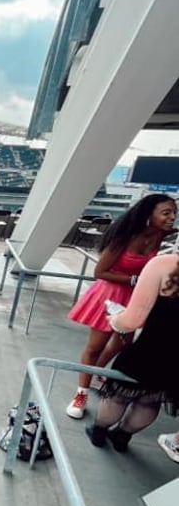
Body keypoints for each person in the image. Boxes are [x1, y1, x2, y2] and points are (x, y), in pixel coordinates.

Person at [65, 194, 176, 419]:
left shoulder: (163, 236)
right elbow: (99, 272)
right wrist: (135, 280)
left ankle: (98, 372)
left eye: (174, 213)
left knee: (122, 344)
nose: (172, 218)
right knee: (95, 346)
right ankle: (81, 394)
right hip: (110, 293)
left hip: (136, 298)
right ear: (149, 215)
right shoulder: (125, 236)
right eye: (166, 213)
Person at [85, 251, 179, 452]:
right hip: (175, 362)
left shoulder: (164, 264)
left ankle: (99, 431)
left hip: (147, 351)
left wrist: (115, 317)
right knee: (149, 403)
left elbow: (131, 322)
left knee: (118, 396)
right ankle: (122, 436)